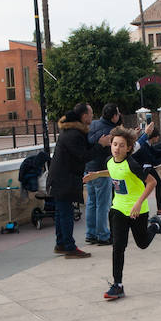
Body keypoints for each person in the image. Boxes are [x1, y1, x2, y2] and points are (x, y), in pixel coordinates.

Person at [83, 126, 161, 300]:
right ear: (111, 145)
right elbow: (114, 172)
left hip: (137, 210)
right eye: (115, 144)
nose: (117, 148)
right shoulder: (109, 161)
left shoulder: (132, 164)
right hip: (118, 209)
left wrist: (138, 203)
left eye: (122, 145)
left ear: (129, 148)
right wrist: (97, 175)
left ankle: (154, 225)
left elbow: (151, 183)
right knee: (118, 247)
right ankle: (118, 285)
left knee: (142, 243)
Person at [48, 104, 111, 259]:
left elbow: (86, 147)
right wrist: (100, 145)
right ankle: (69, 247)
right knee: (66, 214)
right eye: (90, 113)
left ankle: (61, 244)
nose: (92, 116)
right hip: (64, 179)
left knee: (61, 213)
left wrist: (99, 143)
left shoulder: (74, 132)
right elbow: (83, 155)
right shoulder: (73, 134)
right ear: (83, 116)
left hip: (61, 178)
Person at [84, 103, 120, 246]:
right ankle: (103, 235)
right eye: (118, 113)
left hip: (88, 168)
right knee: (103, 205)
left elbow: (89, 141)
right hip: (101, 171)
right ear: (114, 116)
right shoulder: (111, 131)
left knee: (91, 203)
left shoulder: (92, 125)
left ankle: (90, 233)